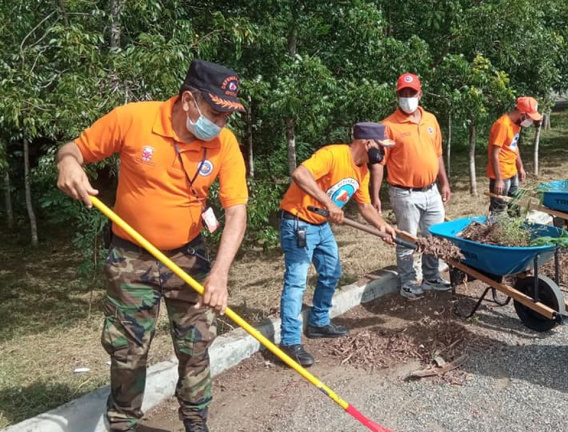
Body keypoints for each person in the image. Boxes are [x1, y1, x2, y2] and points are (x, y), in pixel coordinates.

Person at [55, 59, 249, 432]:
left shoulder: (224, 143)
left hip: (189, 256)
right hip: (130, 259)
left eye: (228, 116)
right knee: (128, 352)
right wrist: (67, 163)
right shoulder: (133, 119)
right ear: (189, 100)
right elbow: (73, 150)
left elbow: (236, 211)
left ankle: (196, 422)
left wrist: (220, 275)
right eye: (215, 113)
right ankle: (124, 424)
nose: (221, 124)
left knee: (196, 347)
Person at [278, 122, 397, 367]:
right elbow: (300, 174)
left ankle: (319, 322)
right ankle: (289, 342)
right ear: (367, 143)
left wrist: (382, 226)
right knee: (296, 282)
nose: (383, 152)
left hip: (320, 225)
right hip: (298, 222)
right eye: (381, 146)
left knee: (332, 272)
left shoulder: (362, 170)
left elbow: (364, 206)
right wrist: (329, 204)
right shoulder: (333, 154)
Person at [371, 73, 452, 301]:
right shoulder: (387, 126)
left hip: (431, 190)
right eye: (403, 94)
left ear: (420, 93)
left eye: (411, 93)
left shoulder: (431, 120)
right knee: (406, 239)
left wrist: (444, 182)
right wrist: (375, 195)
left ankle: (431, 277)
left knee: (434, 238)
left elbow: (437, 154)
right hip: (404, 193)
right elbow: (379, 163)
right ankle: (407, 281)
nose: (407, 97)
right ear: (397, 96)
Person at [486, 97, 540, 213]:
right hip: (501, 175)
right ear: (522, 114)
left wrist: (520, 167)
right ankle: (497, 230)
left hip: (512, 171)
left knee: (515, 206)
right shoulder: (502, 125)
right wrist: (499, 180)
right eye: (530, 118)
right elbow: (494, 154)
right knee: (498, 210)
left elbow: (514, 146)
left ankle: (514, 230)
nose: (530, 121)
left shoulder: (516, 125)